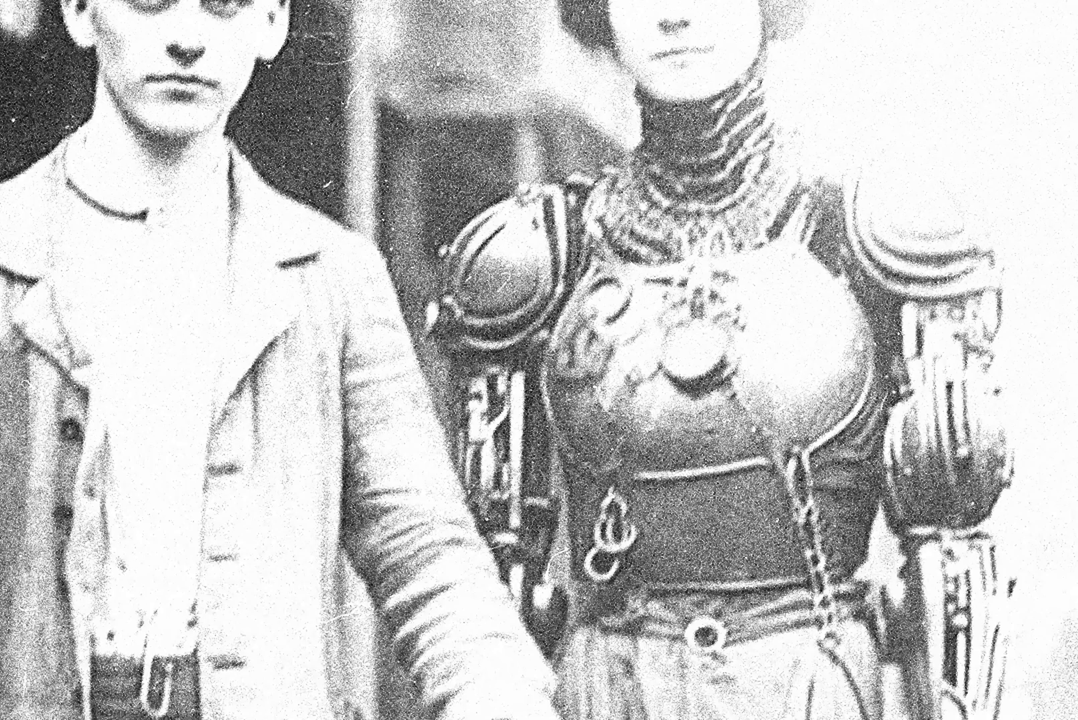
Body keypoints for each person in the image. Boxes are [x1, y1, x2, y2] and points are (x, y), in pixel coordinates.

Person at [0, 1, 561, 719]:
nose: (187, 38)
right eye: (149, 0)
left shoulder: (332, 280)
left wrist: (499, 697)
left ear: (272, 21)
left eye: (223, 4)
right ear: (79, 10)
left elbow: (432, 563)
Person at [428, 0, 1015, 718]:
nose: (674, 16)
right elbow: (493, 577)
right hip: (611, 692)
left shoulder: (872, 231)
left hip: (810, 690)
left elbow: (953, 556)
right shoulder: (542, 255)